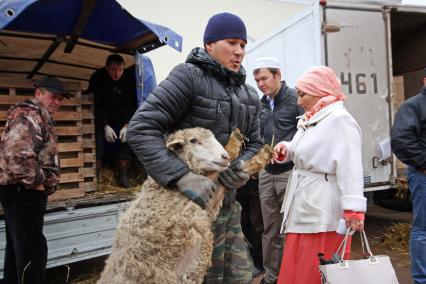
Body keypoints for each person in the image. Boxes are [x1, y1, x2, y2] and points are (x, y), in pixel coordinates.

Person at [127, 12, 262, 283]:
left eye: (243, 45)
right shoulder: (188, 77)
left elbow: (256, 142)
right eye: (232, 43)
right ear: (209, 45)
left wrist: (241, 167)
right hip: (187, 213)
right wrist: (181, 176)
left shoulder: (248, 95)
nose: (239, 51)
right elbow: (141, 128)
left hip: (226, 209)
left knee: (239, 278)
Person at [272, 66, 367, 284]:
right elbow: (302, 149)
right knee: (299, 262)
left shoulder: (340, 120)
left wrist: (353, 210)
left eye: (302, 94)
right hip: (306, 204)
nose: (298, 101)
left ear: (320, 91)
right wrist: (286, 149)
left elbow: (350, 166)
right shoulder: (314, 118)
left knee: (316, 268)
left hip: (323, 211)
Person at [0, 76, 68, 284]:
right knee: (33, 252)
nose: (57, 102)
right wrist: (39, 182)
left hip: (22, 192)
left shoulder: (37, 115)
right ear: (39, 93)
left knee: (18, 250)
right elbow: (17, 156)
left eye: (60, 99)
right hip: (24, 192)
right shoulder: (28, 115)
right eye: (53, 96)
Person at [253, 57, 303, 284]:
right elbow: (259, 136)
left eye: (264, 78)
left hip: (289, 173)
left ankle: (292, 276)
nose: (261, 83)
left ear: (278, 75)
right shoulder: (261, 104)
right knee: (269, 229)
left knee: (290, 228)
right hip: (266, 174)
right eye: (257, 80)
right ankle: (272, 276)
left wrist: (289, 149)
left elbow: (305, 132)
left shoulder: (295, 99)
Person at [391, 68, 426, 284]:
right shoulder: (413, 105)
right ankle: (422, 279)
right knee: (423, 228)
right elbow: (401, 140)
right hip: (423, 176)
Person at [87, 54, 138, 188]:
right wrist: (105, 125)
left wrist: (127, 125)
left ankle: (123, 176)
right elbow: (94, 103)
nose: (117, 73)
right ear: (107, 68)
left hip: (122, 115)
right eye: (114, 69)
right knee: (96, 140)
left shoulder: (129, 79)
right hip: (101, 116)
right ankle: (96, 176)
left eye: (120, 70)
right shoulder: (97, 78)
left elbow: (133, 104)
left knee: (127, 140)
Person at [235, 177, 264, 277]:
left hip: (255, 181)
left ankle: (260, 262)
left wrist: (257, 172)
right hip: (238, 184)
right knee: (244, 223)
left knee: (257, 223)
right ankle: (254, 262)